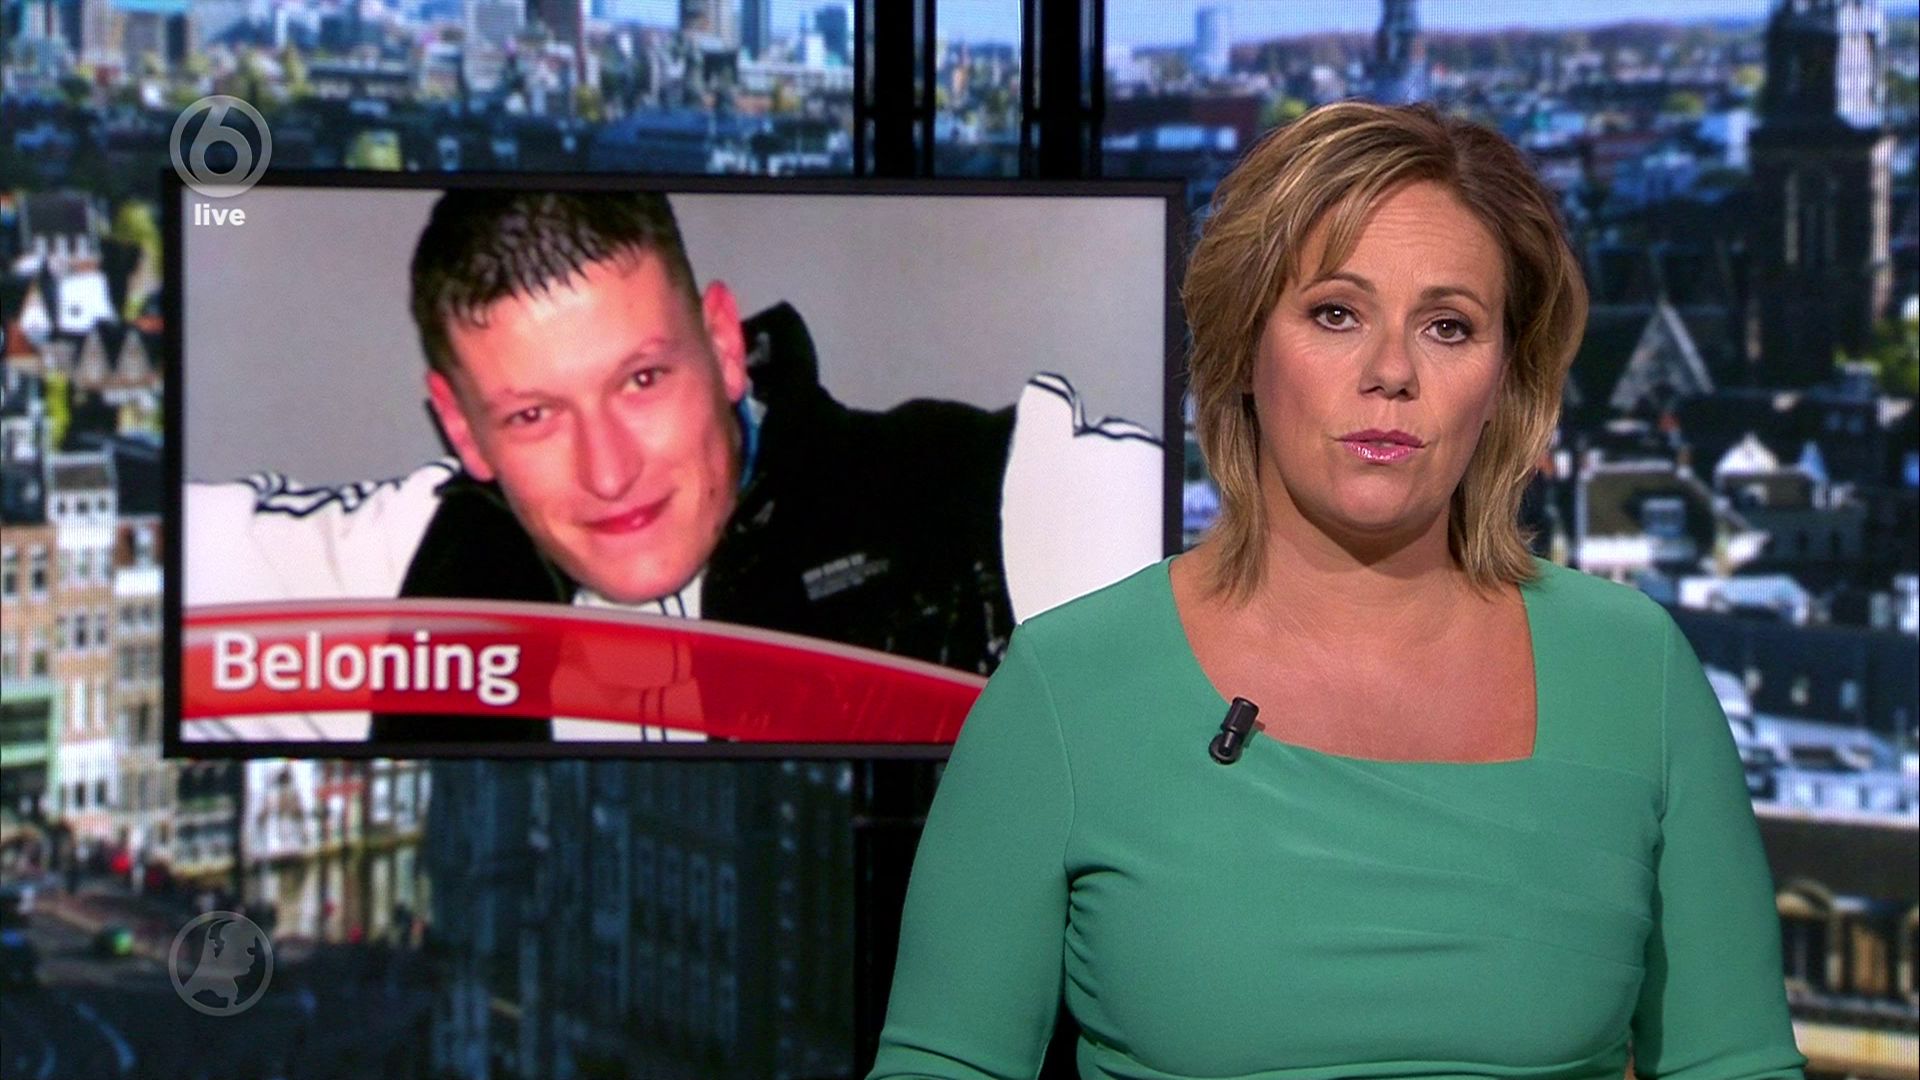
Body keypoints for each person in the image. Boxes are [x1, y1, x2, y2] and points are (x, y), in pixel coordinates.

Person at [868, 102, 1805, 1078]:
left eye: (1447, 326)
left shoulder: (1635, 671)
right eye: (1335, 314)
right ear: (1243, 350)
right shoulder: (1068, 688)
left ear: (1506, 379)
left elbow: (1737, 1065)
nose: (1392, 372)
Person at [184, 191, 1162, 742]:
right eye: (533, 415)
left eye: (642, 379)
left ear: (725, 344)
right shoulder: (397, 584)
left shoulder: (1004, 507)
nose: (609, 472)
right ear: (462, 429)